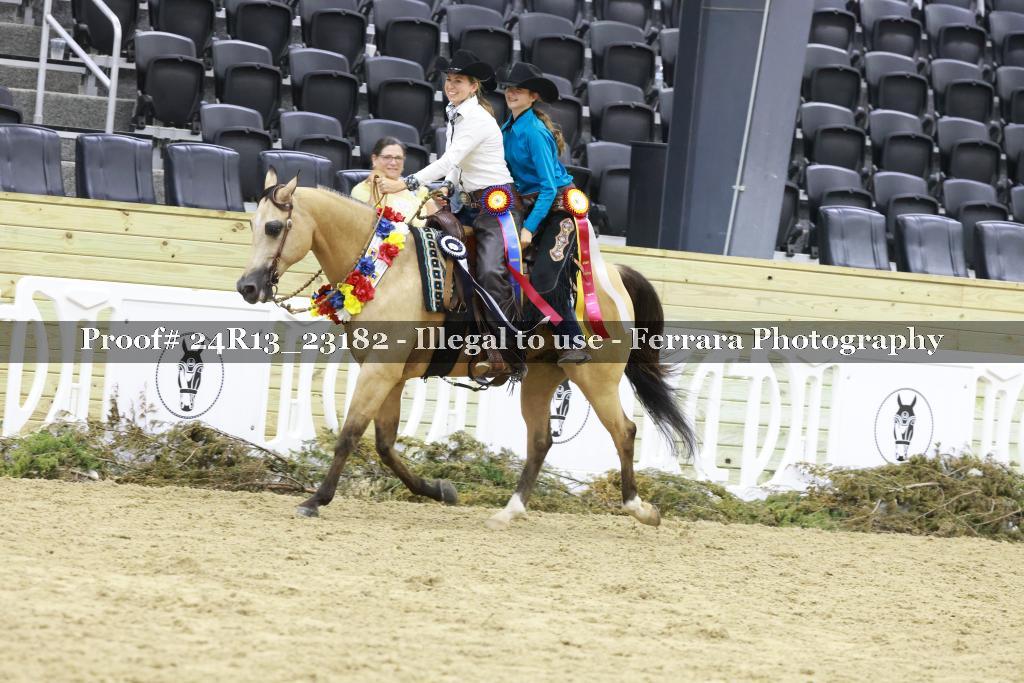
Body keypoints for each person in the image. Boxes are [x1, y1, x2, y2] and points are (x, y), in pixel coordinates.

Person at [377, 50, 523, 379]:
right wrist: (446, 187)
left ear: (473, 86)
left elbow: (448, 159)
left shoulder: (476, 118)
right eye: (449, 80)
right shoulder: (456, 113)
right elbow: (456, 164)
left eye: (458, 81)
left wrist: (406, 183)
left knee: (489, 271)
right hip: (467, 205)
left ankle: (507, 350)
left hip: (496, 207)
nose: (451, 85)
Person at [499, 62, 591, 364]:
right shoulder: (507, 128)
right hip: (531, 206)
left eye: (519, 89)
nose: (511, 93)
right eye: (509, 88)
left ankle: (562, 339)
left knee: (543, 277)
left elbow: (549, 188)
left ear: (533, 96)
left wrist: (529, 228)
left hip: (560, 211)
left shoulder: (535, 132)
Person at [350, 137, 438, 227]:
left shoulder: (418, 189)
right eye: (387, 157)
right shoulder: (362, 190)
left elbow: (436, 222)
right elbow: (369, 223)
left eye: (398, 158)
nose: (393, 162)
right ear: (374, 159)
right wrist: (375, 185)